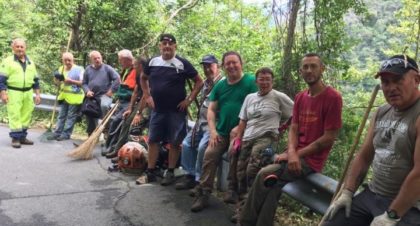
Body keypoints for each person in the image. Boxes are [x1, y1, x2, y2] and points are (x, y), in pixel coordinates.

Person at [238, 53, 343, 226]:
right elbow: (294, 128)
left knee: (264, 174)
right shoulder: (301, 97)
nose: (309, 70)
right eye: (305, 67)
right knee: (272, 186)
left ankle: (245, 221)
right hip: (295, 155)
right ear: (301, 71)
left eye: (313, 66)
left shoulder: (332, 97)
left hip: (311, 160)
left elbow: (328, 138)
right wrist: (291, 152)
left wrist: (295, 155)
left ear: (322, 69)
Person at [323, 55, 420, 226]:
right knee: (333, 221)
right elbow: (364, 155)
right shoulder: (382, 111)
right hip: (372, 195)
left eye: (398, 80)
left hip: (409, 206)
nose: (391, 88)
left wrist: (392, 215)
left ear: (416, 80)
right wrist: (347, 191)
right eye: (385, 82)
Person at [190, 51, 258, 212]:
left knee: (235, 154)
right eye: (228, 63)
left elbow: (257, 108)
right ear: (223, 66)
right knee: (209, 155)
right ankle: (204, 193)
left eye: (234, 62)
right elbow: (211, 110)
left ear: (241, 63)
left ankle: (235, 196)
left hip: (243, 133)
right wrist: (213, 131)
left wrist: (241, 128)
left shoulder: (250, 82)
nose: (231, 66)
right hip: (221, 132)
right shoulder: (220, 85)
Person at [228, 67, 294, 215]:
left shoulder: (278, 96)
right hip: (248, 137)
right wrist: (238, 138)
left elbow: (296, 112)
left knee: (252, 170)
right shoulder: (250, 97)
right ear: (256, 81)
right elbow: (243, 120)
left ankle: (247, 211)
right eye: (261, 79)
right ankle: (242, 207)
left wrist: (282, 127)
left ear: (272, 81)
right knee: (241, 172)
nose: (264, 82)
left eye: (267, 80)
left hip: (266, 137)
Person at [140, 34, 203, 186]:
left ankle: (170, 171)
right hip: (158, 110)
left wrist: (188, 100)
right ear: (160, 46)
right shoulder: (153, 62)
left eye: (170, 43)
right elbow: (143, 78)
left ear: (175, 46)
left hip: (176, 111)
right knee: (153, 140)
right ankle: (150, 172)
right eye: (164, 43)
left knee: (175, 142)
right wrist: (147, 96)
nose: (167, 46)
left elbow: (199, 82)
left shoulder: (182, 63)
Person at [175, 54, 222, 190]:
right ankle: (189, 175)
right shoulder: (206, 83)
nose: (207, 69)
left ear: (217, 66)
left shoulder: (222, 83)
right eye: (205, 66)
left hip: (213, 125)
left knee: (202, 147)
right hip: (200, 123)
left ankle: (199, 180)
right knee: (186, 143)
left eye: (210, 66)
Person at [104, 55, 149, 159]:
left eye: (135, 65)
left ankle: (133, 156)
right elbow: (136, 92)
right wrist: (130, 108)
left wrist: (139, 114)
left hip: (148, 103)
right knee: (126, 121)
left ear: (141, 66)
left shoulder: (147, 75)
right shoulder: (138, 74)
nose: (134, 67)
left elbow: (145, 96)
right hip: (139, 103)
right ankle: (118, 151)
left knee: (135, 126)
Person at [0, 38, 41, 148]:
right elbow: (1, 79)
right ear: (13, 48)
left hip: (28, 92)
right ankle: (15, 138)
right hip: (14, 92)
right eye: (17, 46)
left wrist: (37, 94)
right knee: (15, 114)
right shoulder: (8, 61)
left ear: (25, 48)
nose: (19, 49)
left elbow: (36, 80)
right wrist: (3, 93)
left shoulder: (30, 62)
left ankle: (22, 136)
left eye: (21, 46)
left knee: (26, 114)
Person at [102, 49, 138, 155]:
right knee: (115, 123)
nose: (119, 62)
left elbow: (133, 89)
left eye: (121, 60)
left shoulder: (135, 70)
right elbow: (122, 84)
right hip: (122, 101)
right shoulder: (126, 70)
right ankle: (109, 145)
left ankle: (112, 147)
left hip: (128, 102)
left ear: (127, 60)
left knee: (117, 123)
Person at [82, 50, 120, 136]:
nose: (97, 60)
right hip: (92, 96)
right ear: (91, 60)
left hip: (104, 95)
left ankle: (105, 129)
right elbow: (84, 83)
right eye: (95, 58)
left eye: (99, 57)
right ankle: (90, 135)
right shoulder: (88, 69)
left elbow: (118, 79)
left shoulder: (107, 68)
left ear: (101, 57)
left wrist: (111, 91)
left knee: (104, 106)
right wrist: (87, 91)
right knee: (88, 111)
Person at [49, 52, 84, 141]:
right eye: (65, 60)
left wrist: (71, 81)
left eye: (69, 60)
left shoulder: (79, 69)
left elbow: (83, 83)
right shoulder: (61, 69)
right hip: (64, 96)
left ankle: (66, 134)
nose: (67, 62)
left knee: (70, 117)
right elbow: (57, 83)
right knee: (61, 115)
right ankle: (57, 133)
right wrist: (57, 79)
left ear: (73, 60)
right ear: (62, 60)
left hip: (75, 97)